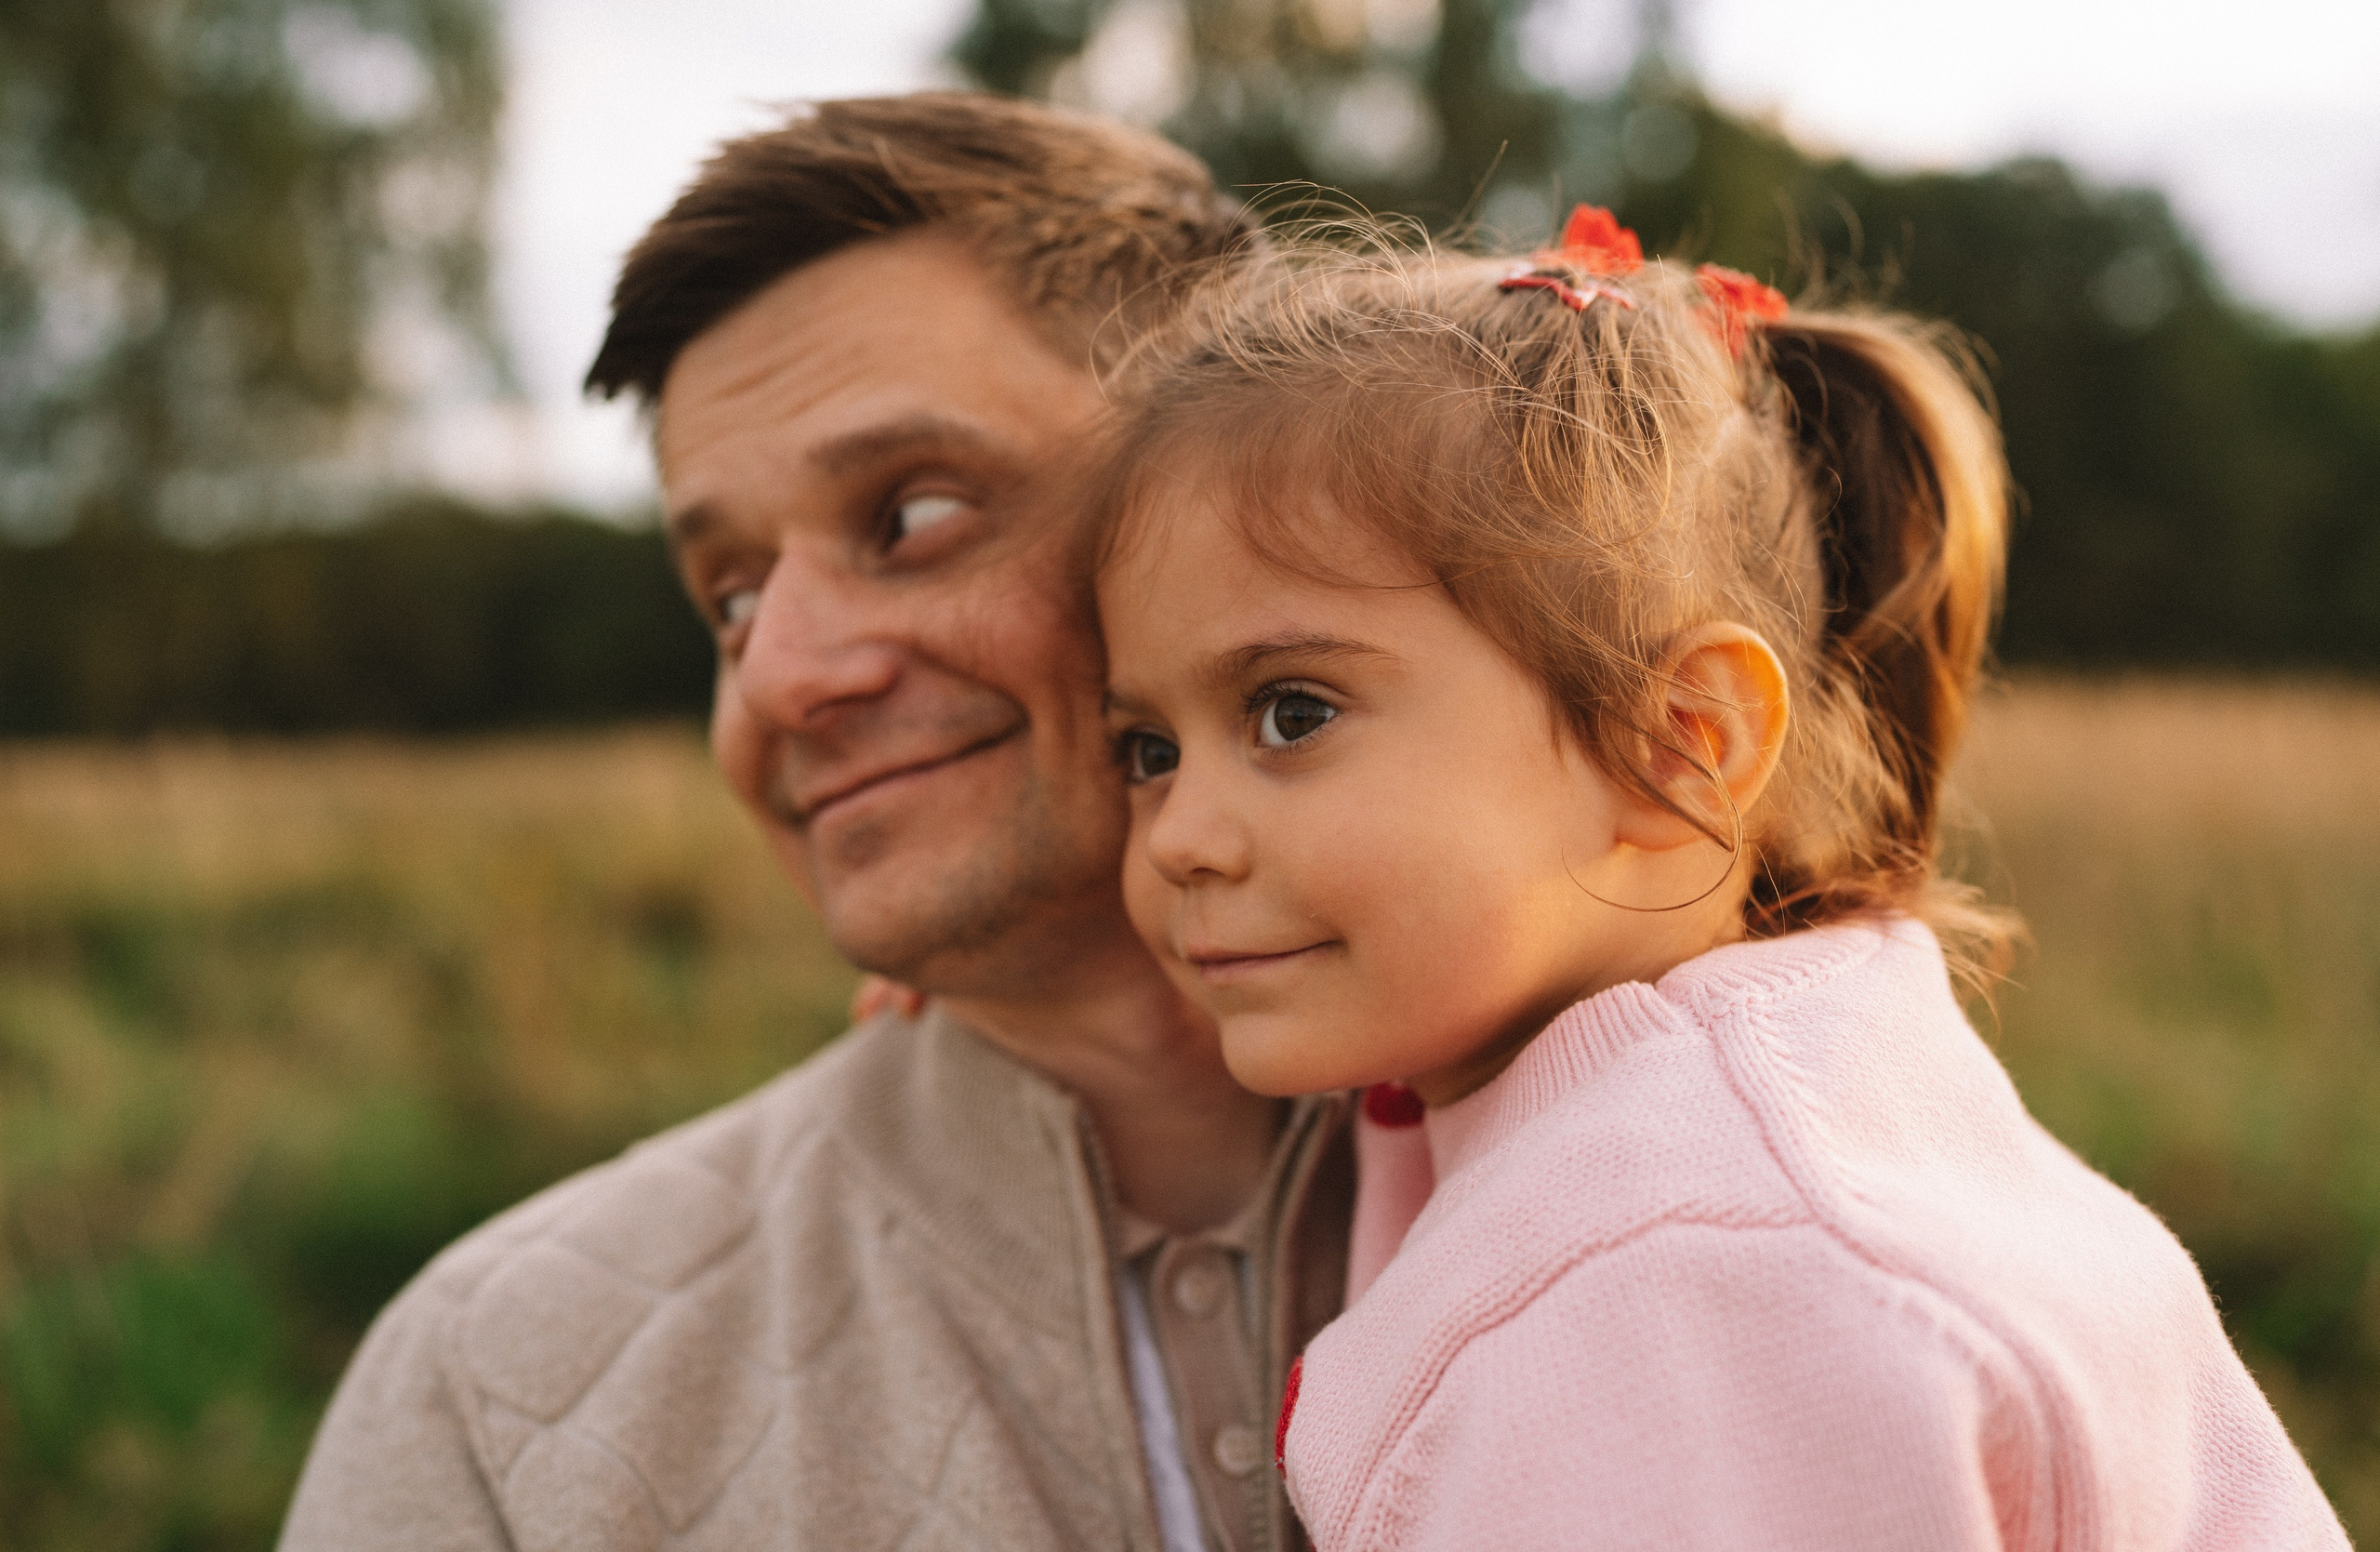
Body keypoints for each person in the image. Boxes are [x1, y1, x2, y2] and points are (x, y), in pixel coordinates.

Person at [1089, 209, 2348, 1547]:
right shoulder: (1752, 1094)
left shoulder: (1686, 1284)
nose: (1179, 837)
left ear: (1676, 743)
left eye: (1292, 713)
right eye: (1148, 750)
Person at [279, 93, 1354, 1552]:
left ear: (1228, 484)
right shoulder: (496, 1393)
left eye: (911, 518)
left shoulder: (1716, 1147)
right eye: (730, 596)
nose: (779, 677)